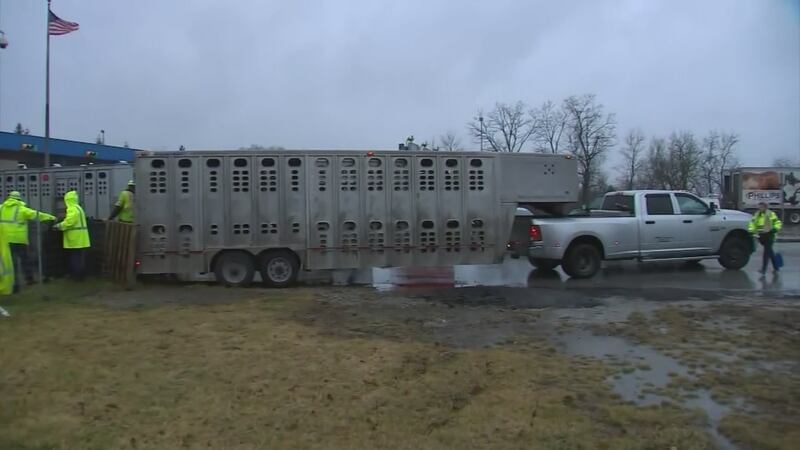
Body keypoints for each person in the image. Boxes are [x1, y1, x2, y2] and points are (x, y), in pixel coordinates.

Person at [0, 191, 56, 292]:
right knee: (25, 260)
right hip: (19, 239)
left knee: (11, 263)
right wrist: (51, 217)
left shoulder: (1, 208)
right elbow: (36, 215)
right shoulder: (21, 209)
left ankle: (14, 284)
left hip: (5, 241)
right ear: (19, 199)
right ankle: (29, 278)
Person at [53, 191, 91, 280]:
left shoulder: (72, 209)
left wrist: (59, 226)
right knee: (79, 258)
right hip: (82, 238)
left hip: (75, 238)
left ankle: (76, 276)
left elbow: (69, 222)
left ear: (68, 200)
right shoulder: (79, 208)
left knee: (75, 258)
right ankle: (81, 275)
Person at [748, 202, 783, 274]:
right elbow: (752, 223)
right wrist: (751, 231)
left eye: (761, 207)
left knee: (766, 253)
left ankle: (763, 270)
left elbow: (778, 223)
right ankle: (776, 267)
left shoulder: (770, 214)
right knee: (770, 252)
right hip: (761, 236)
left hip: (770, 235)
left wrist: (775, 229)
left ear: (765, 207)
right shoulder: (757, 214)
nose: (759, 208)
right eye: (759, 207)